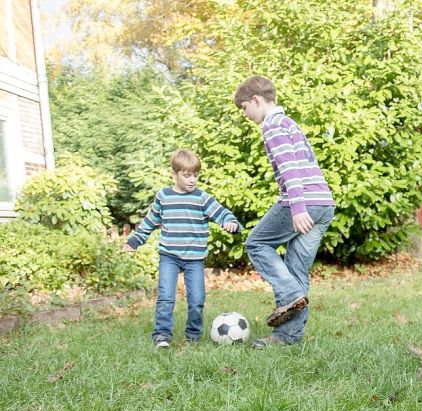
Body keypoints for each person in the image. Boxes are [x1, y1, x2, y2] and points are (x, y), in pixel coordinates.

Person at [235, 75, 335, 349]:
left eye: (244, 108)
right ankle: (287, 337)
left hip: (303, 201)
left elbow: (290, 168)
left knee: (256, 243)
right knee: (296, 268)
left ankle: (290, 293)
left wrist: (298, 208)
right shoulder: (289, 122)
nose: (245, 115)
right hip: (323, 203)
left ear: (256, 100)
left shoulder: (273, 126)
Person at [125, 149, 240, 349]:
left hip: (194, 259)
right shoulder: (164, 196)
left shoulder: (202, 198)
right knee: (166, 297)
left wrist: (230, 222)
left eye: (195, 175)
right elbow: (150, 222)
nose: (192, 180)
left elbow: (221, 213)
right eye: (187, 176)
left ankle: (193, 336)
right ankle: (162, 335)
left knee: (196, 300)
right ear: (174, 174)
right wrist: (135, 240)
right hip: (169, 256)